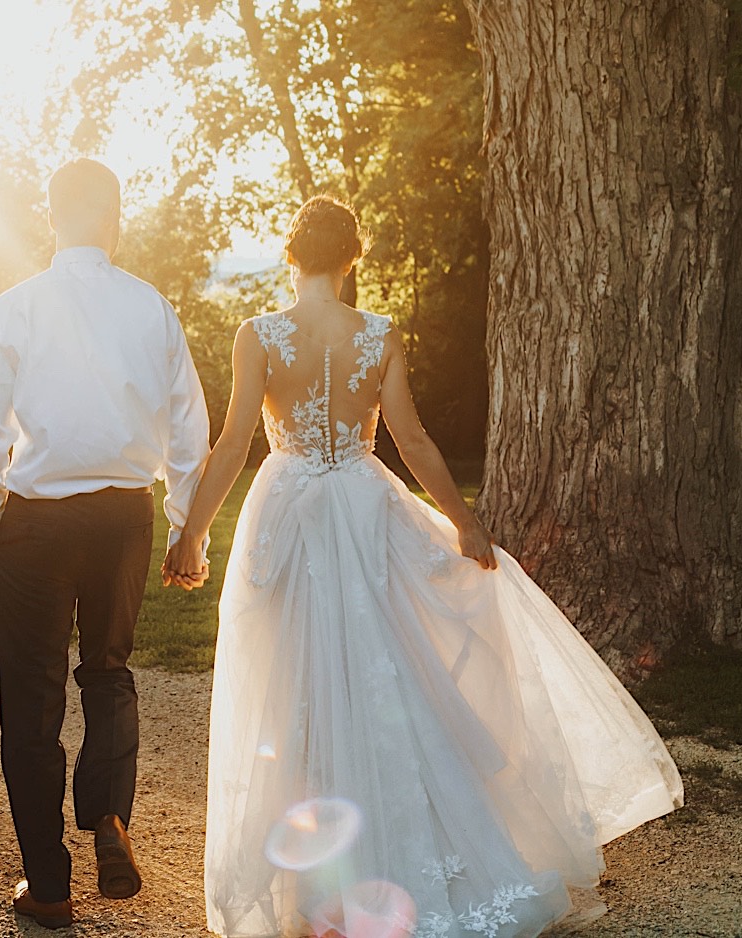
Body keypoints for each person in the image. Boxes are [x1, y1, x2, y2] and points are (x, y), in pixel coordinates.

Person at [163, 195, 684, 938]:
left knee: (293, 683)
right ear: (352, 259)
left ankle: (315, 880)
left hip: (288, 515)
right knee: (390, 672)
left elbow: (234, 441)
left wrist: (192, 533)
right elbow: (411, 438)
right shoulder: (377, 334)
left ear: (290, 257)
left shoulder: (260, 335)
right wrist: (465, 523)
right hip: (367, 505)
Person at [0, 158, 212, 930]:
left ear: (51, 217)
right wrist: (181, 527)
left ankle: (50, 889)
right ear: (115, 218)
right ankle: (107, 816)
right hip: (123, 519)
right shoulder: (151, 308)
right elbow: (188, 431)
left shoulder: (12, 308)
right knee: (108, 671)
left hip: (36, 521)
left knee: (29, 704)